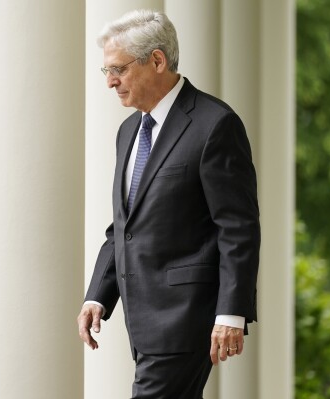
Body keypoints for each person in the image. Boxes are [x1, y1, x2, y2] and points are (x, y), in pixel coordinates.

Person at [76, 9, 260, 399]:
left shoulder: (215, 124)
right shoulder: (128, 131)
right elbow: (124, 226)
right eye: (105, 71)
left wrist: (232, 312)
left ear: (157, 60)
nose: (110, 82)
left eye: (118, 70)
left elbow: (238, 227)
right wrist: (98, 294)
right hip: (141, 321)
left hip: (186, 317)